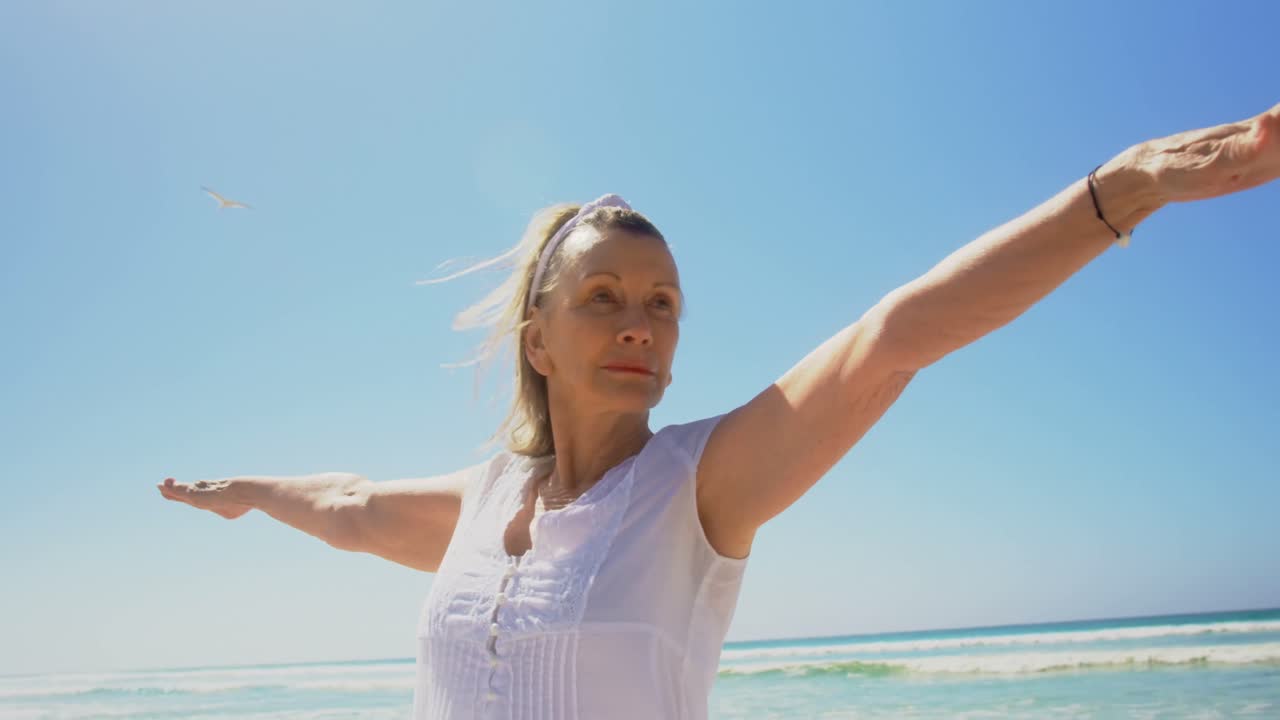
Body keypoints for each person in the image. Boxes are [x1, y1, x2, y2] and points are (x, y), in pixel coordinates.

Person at [158, 103, 1280, 719]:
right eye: (602, 299)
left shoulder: (699, 488)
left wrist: (1124, 186)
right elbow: (349, 505)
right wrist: (251, 494)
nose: (638, 322)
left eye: (661, 303)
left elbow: (893, 337)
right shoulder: (480, 502)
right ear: (536, 339)